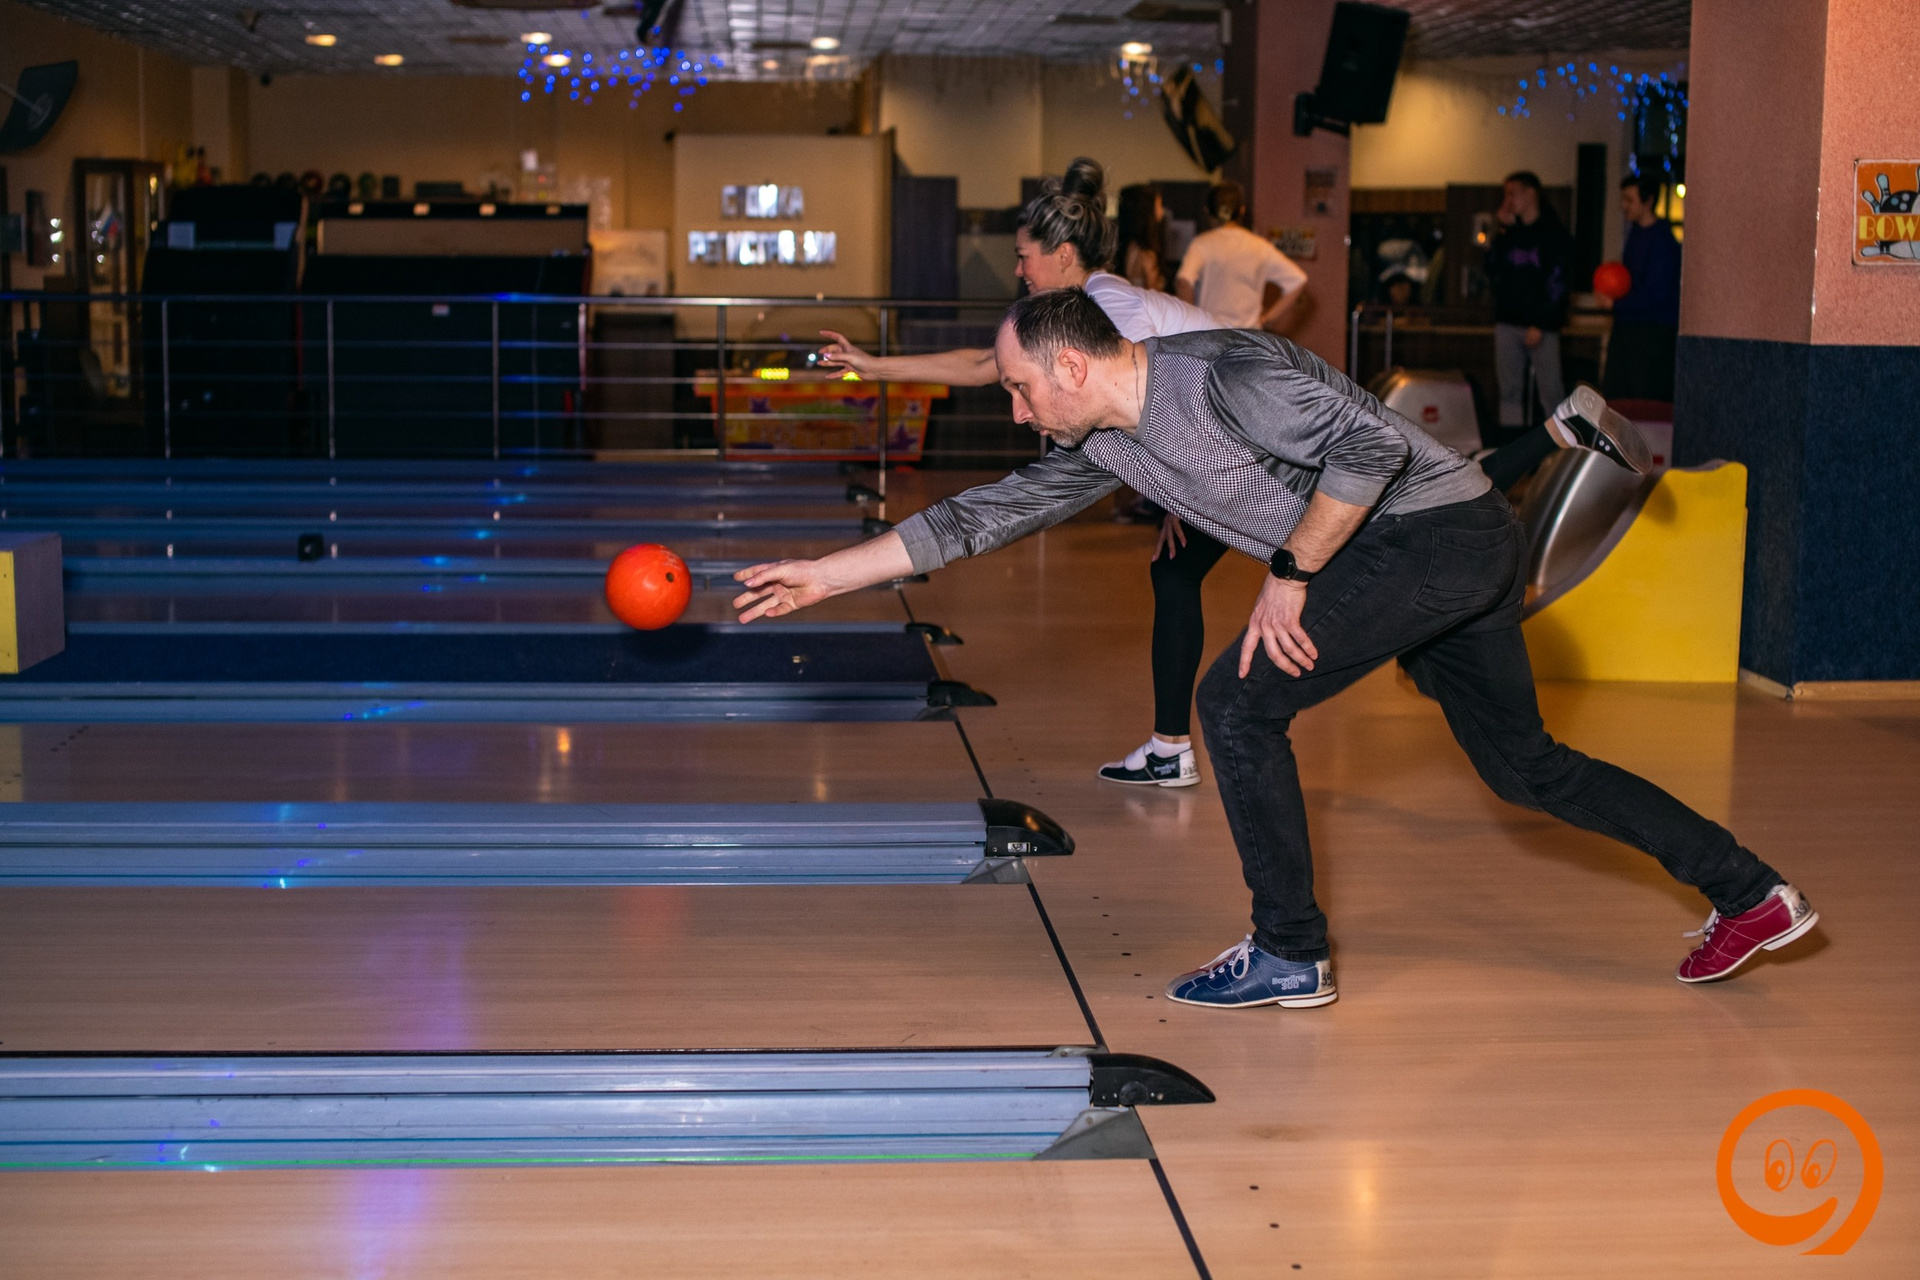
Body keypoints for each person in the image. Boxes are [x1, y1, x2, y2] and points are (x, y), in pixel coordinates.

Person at [733, 288, 1818, 1005]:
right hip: (1437, 549)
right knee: (1527, 766)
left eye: (1018, 387)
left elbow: (1371, 448)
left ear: (1069, 365)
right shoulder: (1107, 439)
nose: (1015, 410)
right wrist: (826, 574)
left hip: (1434, 535)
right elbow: (980, 516)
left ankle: (1290, 950)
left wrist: (1290, 573)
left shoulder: (1224, 373)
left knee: (1237, 703)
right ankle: (1751, 891)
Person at [1486, 171, 1573, 442]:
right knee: (1509, 391)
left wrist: (1542, 321)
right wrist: (1500, 230)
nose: (1508, 201)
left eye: (1512, 194)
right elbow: (1491, 269)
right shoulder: (1509, 233)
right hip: (1508, 319)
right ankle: (1510, 446)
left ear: (1530, 192)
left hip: (1541, 324)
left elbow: (1558, 282)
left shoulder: (1553, 232)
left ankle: (1557, 449)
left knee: (1550, 391)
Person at [1175, 182, 1308, 332]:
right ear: (1242, 210)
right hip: (1249, 335)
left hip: (1212, 333)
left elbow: (1184, 282)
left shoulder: (1202, 243)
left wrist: (1191, 322)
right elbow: (1298, 280)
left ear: (1207, 210)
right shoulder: (1260, 246)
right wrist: (1267, 320)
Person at [1602, 172, 1682, 401]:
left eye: (1630, 200)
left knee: (1643, 398)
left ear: (1647, 201)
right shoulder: (1636, 233)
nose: (1624, 206)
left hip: (1651, 331)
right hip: (1628, 325)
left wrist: (1616, 303)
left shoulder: (1662, 241)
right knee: (1617, 394)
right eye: (1623, 200)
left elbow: (1656, 293)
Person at [1116, 183, 1167, 293]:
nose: (1162, 212)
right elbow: (1153, 297)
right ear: (1147, 210)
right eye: (1159, 205)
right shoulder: (1147, 255)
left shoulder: (1128, 246)